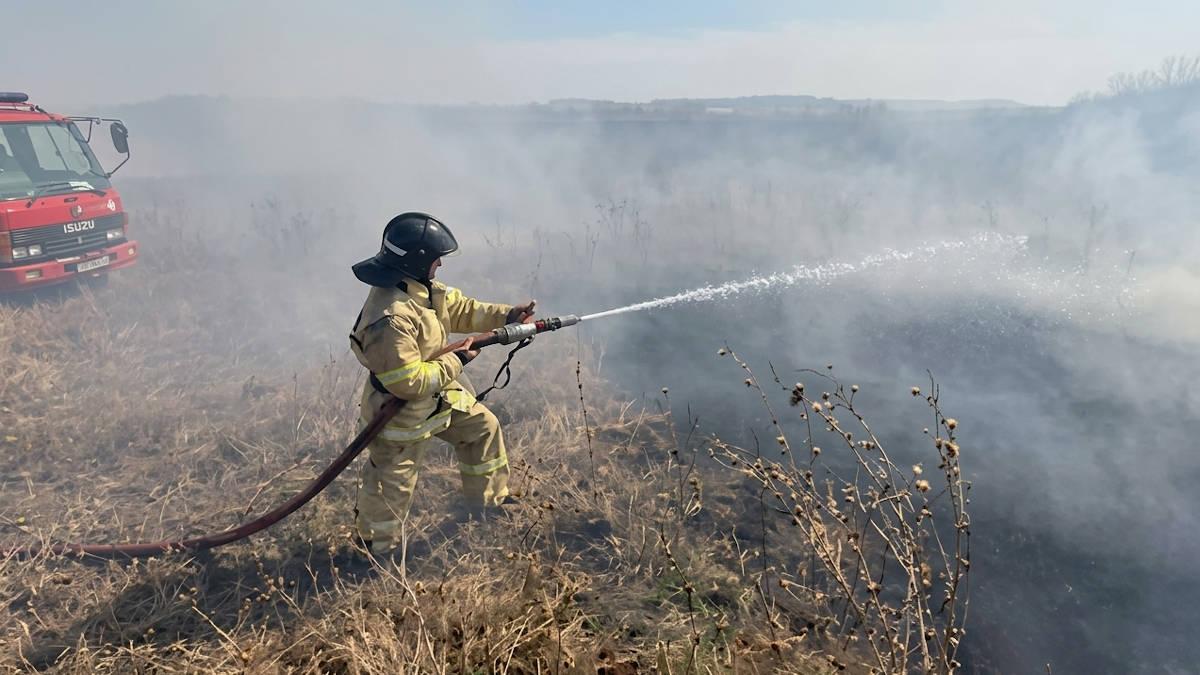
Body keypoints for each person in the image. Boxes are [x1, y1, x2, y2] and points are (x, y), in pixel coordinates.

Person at [347, 212, 536, 553]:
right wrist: (458, 359)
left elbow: (461, 309)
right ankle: (374, 551)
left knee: (483, 428)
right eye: (436, 259)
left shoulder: (419, 288)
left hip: (439, 394)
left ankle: (487, 505)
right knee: (393, 483)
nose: (440, 265)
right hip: (399, 415)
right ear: (418, 261)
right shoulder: (389, 319)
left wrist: (507, 316)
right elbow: (408, 383)